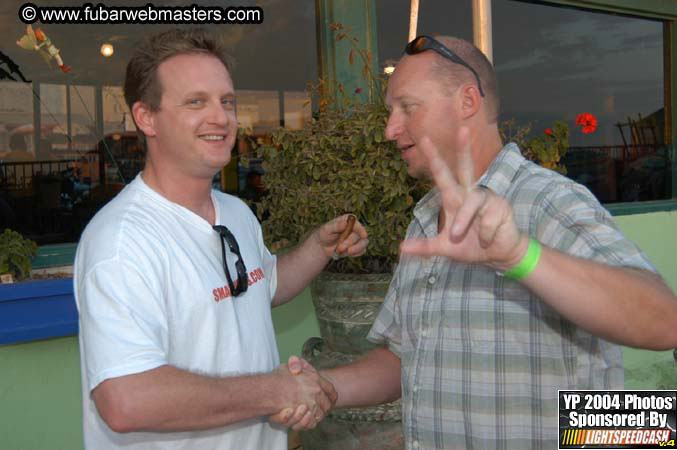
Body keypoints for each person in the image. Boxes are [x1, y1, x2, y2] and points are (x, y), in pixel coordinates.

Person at [274, 35, 677, 448]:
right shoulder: (425, 221)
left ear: (468, 101)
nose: (390, 129)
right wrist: (323, 386)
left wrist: (520, 255)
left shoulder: (547, 202)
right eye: (390, 111)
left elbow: (665, 321)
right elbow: (404, 359)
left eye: (407, 108)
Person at [74, 28, 368, 450]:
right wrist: (276, 389)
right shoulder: (121, 244)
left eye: (226, 101)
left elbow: (258, 287)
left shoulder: (235, 212)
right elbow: (126, 401)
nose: (221, 117)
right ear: (146, 118)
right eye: (196, 102)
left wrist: (317, 248)